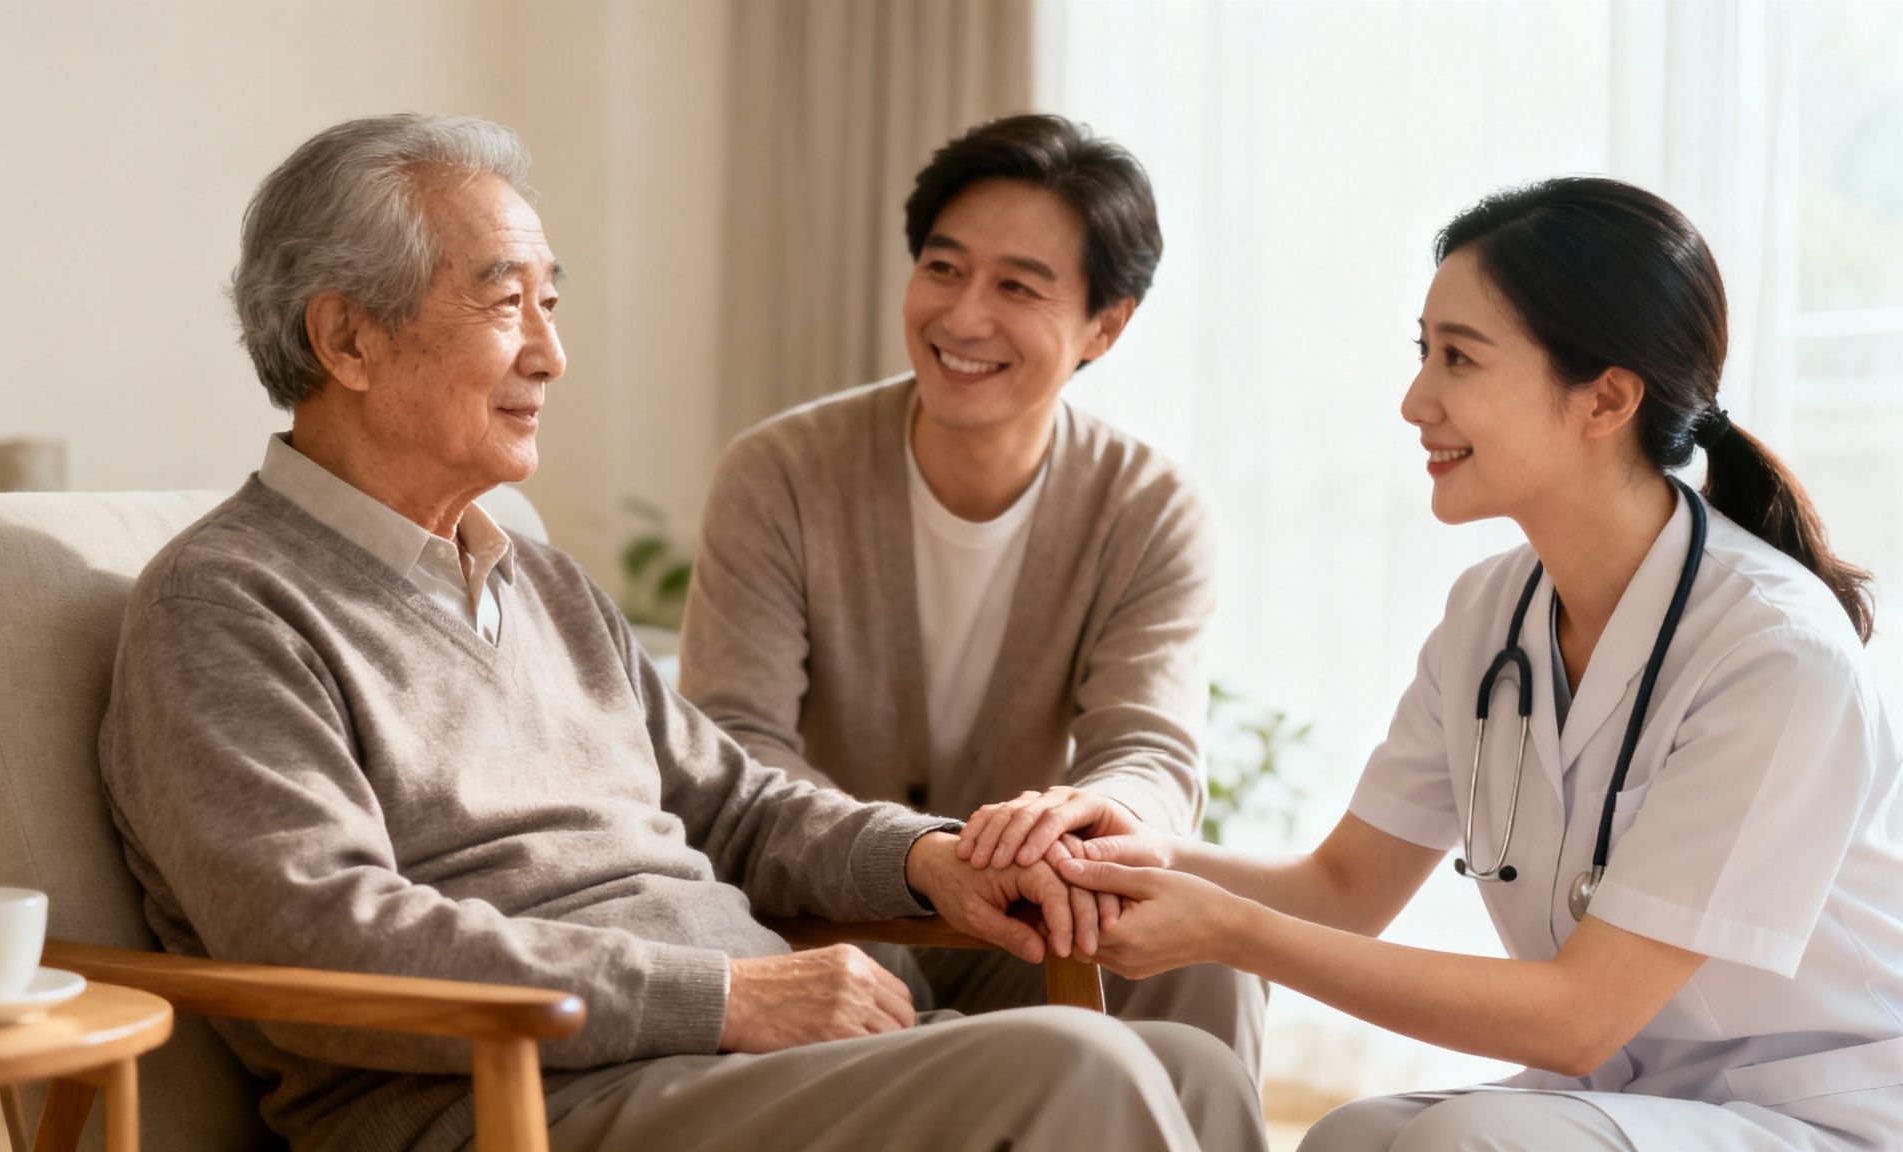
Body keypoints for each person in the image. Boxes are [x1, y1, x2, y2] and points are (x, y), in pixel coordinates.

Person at [98, 114, 1266, 1152]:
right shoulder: (227, 604)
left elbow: (738, 804)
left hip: (714, 1054)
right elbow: (321, 940)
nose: (551, 355)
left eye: (550, 305)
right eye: (506, 306)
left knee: (1198, 1068)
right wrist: (720, 998)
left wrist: (926, 859)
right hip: (524, 1099)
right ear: (346, 341)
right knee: (1078, 1064)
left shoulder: (535, 578)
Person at [1040, 175, 1903, 1151]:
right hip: (1623, 1092)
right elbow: (1339, 891)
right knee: (1347, 1137)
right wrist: (1134, 854)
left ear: (1605, 398)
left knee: (1461, 1147)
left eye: (1458, 357)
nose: (1416, 399)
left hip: (1807, 1111)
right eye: (1422, 351)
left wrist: (1225, 931)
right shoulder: (1489, 614)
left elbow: (1577, 1015)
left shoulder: (1771, 656)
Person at [679, 113, 1265, 1075]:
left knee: (1213, 960)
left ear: (1105, 327)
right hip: (826, 902)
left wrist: (1060, 834)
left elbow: (1148, 753)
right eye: (944, 269)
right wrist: (916, 859)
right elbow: (736, 742)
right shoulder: (779, 473)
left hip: (1028, 911)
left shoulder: (1150, 507)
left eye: (1018, 287)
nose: (962, 317)